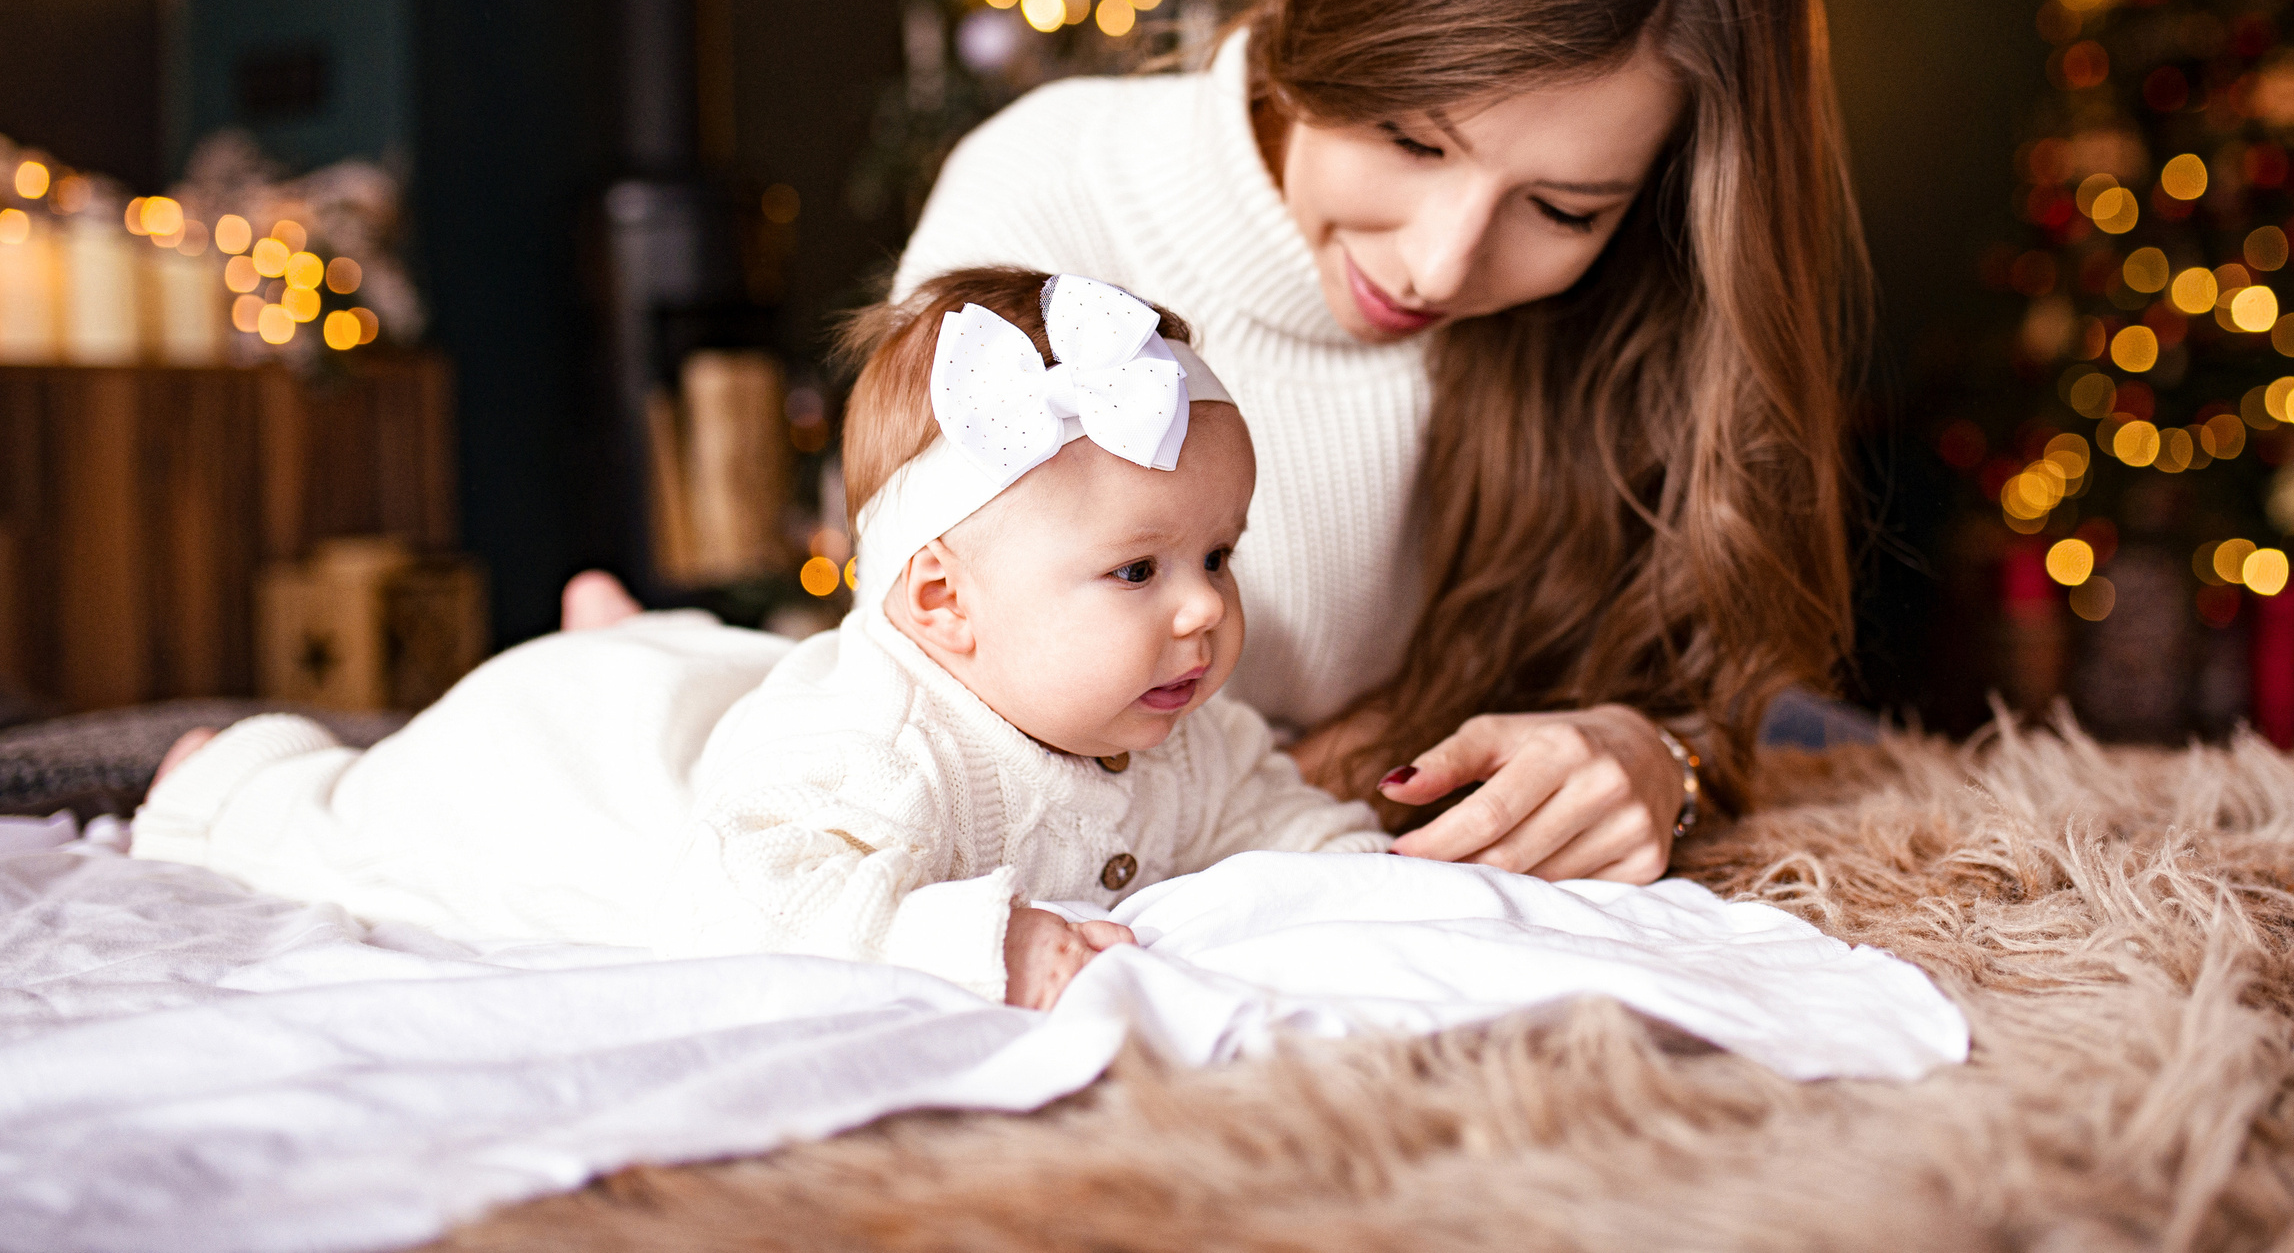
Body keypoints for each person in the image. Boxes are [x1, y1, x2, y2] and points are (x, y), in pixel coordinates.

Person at [893, 0, 1870, 884]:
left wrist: (1655, 756)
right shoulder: (1042, 199)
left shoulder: (1627, 305)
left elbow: (1702, 691)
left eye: (1562, 209)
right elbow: (936, 697)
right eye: (1412, 140)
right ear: (1326, 8)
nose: (1441, 268)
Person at [133, 271, 1390, 1009]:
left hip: (746, 705)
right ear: (944, 606)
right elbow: (760, 904)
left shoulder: (1178, 720)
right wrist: (981, 943)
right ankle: (230, 771)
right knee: (385, 818)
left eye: (1217, 556)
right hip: (583, 766)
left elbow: (1267, 813)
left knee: (724, 676)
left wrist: (1375, 872)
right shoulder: (871, 755)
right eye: (1138, 571)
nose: (1203, 611)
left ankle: (639, 632)